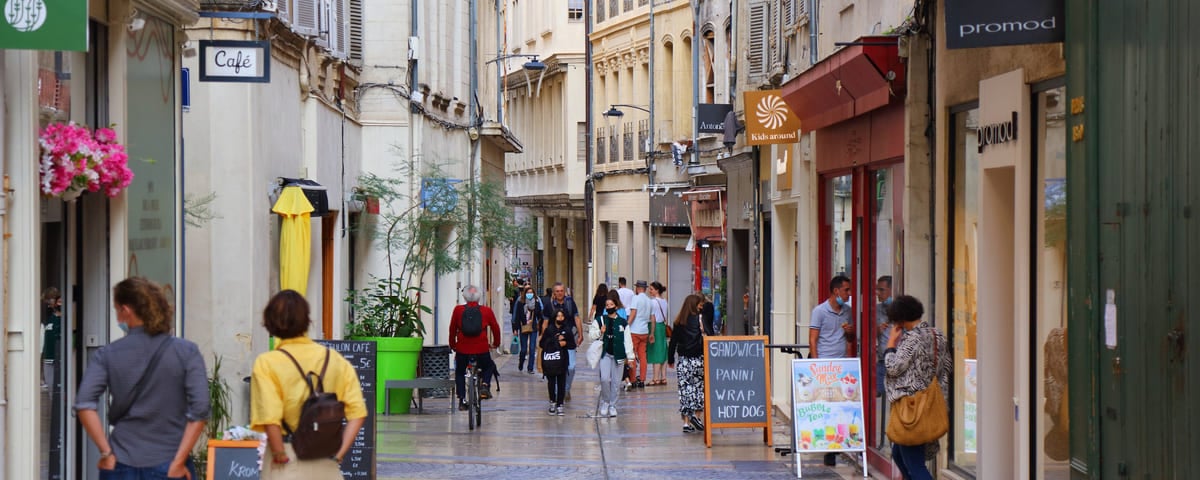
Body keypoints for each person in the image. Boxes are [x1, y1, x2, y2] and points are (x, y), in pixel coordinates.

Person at [75, 277, 209, 479]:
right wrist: (179, 461)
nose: (118, 317)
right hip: (170, 460)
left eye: (117, 310)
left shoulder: (108, 354)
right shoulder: (186, 352)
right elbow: (200, 410)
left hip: (120, 460)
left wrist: (106, 453)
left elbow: (84, 404)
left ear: (126, 311)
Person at [251, 290, 367, 479]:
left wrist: (280, 453)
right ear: (306, 319)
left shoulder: (267, 363)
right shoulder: (335, 359)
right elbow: (358, 414)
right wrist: (338, 456)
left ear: (270, 322)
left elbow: (270, 417)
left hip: (287, 459)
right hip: (327, 463)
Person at [883, 295, 951, 480]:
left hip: (912, 407)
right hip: (930, 403)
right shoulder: (937, 335)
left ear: (901, 318)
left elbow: (893, 367)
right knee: (898, 453)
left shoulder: (912, 338)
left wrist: (890, 345)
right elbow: (946, 368)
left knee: (915, 464)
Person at [809, 274, 855, 466]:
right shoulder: (819, 311)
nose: (848, 294)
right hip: (825, 366)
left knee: (842, 407)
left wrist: (850, 332)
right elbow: (812, 339)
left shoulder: (847, 311)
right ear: (836, 291)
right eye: (846, 290)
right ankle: (828, 449)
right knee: (826, 407)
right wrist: (817, 365)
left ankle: (843, 443)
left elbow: (851, 339)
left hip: (842, 365)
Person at [450, 285, 501, 407]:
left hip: (462, 348)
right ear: (479, 297)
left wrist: (453, 345)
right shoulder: (486, 311)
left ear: (464, 296)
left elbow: (452, 329)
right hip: (481, 348)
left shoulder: (458, 310)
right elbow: (495, 328)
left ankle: (462, 400)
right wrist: (496, 344)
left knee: (460, 371)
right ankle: (484, 385)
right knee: (489, 366)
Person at [668, 294, 706, 433]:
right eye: (699, 305)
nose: (701, 308)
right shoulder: (699, 320)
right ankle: (696, 416)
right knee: (698, 389)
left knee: (685, 391)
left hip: (683, 361)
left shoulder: (679, 322)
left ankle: (686, 423)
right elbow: (708, 336)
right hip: (698, 360)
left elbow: (673, 342)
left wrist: (671, 358)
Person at [541, 282, 582, 400]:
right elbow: (545, 323)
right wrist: (544, 339)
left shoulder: (570, 303)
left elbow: (577, 318)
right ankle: (555, 391)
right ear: (554, 293)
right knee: (554, 365)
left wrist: (580, 334)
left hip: (569, 338)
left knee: (571, 367)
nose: (559, 293)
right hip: (553, 341)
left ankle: (566, 389)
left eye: (561, 291)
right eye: (557, 291)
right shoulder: (549, 306)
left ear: (564, 291)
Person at [596, 297, 628, 417]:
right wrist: (600, 332)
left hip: (618, 354)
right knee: (604, 378)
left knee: (616, 382)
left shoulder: (623, 322)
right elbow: (592, 334)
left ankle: (613, 405)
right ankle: (605, 401)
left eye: (611, 304)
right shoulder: (601, 320)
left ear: (616, 306)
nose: (609, 306)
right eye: (607, 305)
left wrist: (629, 356)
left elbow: (627, 340)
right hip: (605, 354)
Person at [540, 309, 573, 415]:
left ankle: (560, 404)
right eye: (558, 316)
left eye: (562, 316)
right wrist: (554, 341)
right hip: (550, 360)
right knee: (551, 382)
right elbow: (542, 343)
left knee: (561, 383)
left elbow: (572, 344)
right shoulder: (549, 329)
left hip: (562, 361)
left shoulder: (567, 330)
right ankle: (552, 402)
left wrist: (565, 342)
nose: (560, 318)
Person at [627, 280, 653, 388]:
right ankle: (642, 379)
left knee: (632, 355)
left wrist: (626, 325)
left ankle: (633, 379)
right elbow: (652, 317)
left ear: (638, 288)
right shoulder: (649, 300)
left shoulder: (635, 298)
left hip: (634, 331)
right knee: (643, 356)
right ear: (645, 288)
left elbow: (633, 313)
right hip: (644, 331)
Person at [645, 281, 670, 386]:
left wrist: (651, 333)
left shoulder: (653, 302)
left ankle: (655, 378)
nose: (649, 291)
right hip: (662, 326)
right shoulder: (664, 301)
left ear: (657, 290)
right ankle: (663, 377)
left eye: (651, 289)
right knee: (663, 352)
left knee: (655, 352)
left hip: (655, 327)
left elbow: (653, 318)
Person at [513, 285, 542, 374]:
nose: (529, 294)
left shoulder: (536, 302)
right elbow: (516, 316)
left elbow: (540, 315)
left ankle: (530, 368)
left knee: (532, 348)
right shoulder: (520, 302)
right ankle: (521, 362)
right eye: (528, 293)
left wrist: (540, 326)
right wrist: (515, 329)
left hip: (533, 327)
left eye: (531, 293)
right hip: (523, 327)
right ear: (525, 294)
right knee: (524, 349)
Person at [875, 275, 893, 397]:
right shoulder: (876, 309)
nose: (878, 293)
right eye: (877, 289)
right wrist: (877, 331)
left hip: (897, 361)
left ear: (891, 290)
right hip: (882, 360)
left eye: (882, 290)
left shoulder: (900, 309)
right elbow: (870, 335)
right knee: (876, 392)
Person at [41, 287, 62, 390]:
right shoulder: (48, 318)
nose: (49, 303)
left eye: (51, 299)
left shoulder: (64, 319)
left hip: (60, 360)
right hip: (48, 360)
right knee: (51, 390)